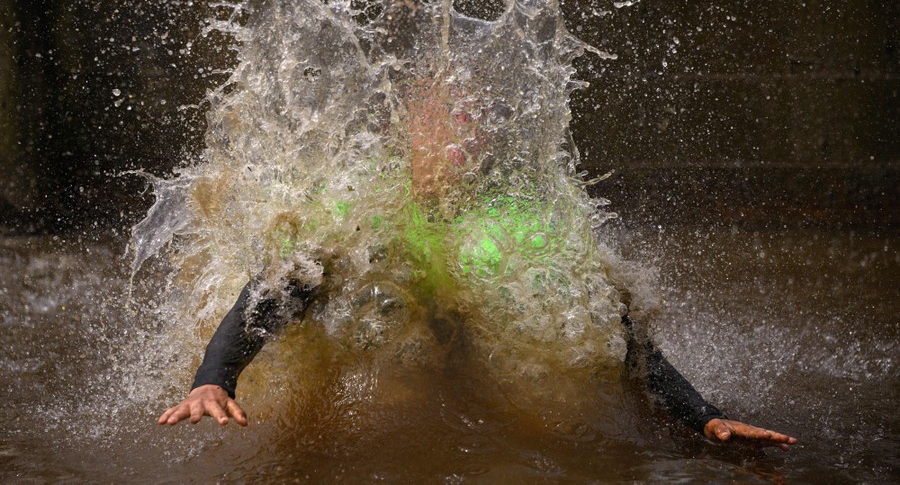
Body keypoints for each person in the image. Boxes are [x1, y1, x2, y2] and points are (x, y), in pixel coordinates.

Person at [157, 77, 797, 451]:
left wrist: (701, 415)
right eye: (444, 122)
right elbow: (273, 294)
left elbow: (614, 335)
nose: (462, 137)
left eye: (475, 125)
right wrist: (213, 378)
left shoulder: (514, 225)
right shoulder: (360, 210)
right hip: (387, 366)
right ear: (410, 132)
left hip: (473, 381)